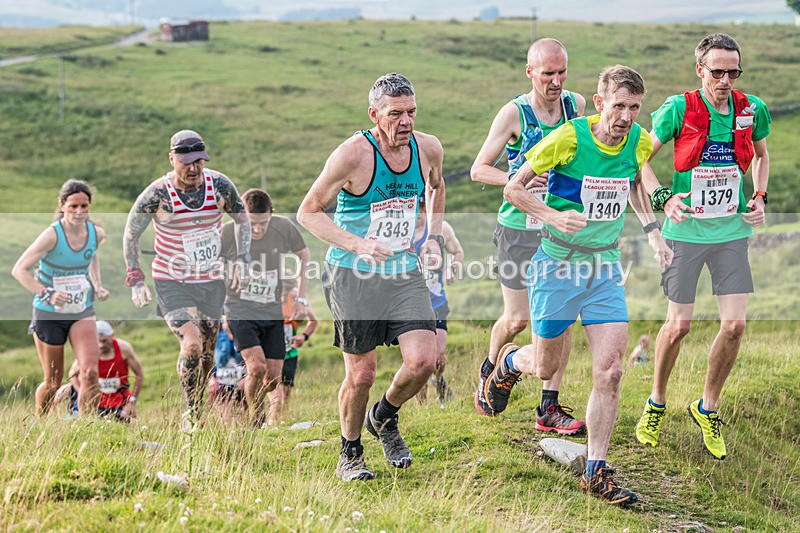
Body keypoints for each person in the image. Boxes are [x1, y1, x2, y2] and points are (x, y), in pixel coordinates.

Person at [495, 65, 672, 506]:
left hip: (604, 269)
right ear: (599, 103)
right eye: (618, 106)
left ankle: (596, 471)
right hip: (557, 265)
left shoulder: (641, 139)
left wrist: (653, 232)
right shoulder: (569, 138)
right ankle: (509, 363)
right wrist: (554, 216)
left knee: (611, 370)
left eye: (634, 107)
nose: (627, 116)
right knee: (544, 364)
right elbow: (513, 190)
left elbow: (633, 182)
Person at [297, 72, 445, 482]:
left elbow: (436, 186)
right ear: (374, 115)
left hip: (403, 271)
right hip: (353, 275)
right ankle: (350, 452)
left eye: (412, 112)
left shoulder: (428, 148)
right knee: (361, 373)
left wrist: (430, 235)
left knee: (423, 360)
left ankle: (384, 416)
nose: (407, 122)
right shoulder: (352, 155)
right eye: (396, 114)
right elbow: (308, 211)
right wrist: (357, 244)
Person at [634, 33, 771, 461]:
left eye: (733, 72)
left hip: (731, 233)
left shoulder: (753, 109)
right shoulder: (680, 108)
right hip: (686, 235)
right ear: (700, 70)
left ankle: (707, 407)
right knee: (679, 327)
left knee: (735, 326)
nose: (726, 80)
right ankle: (656, 401)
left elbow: (762, 156)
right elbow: (639, 159)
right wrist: (664, 199)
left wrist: (760, 196)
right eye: (717, 72)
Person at [470, 38, 588, 435]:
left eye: (561, 72)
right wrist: (519, 180)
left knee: (561, 319)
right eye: (547, 74)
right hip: (518, 228)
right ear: (530, 73)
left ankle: (548, 408)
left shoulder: (576, 107)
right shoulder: (514, 114)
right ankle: (491, 368)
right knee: (518, 319)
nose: (556, 81)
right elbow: (478, 169)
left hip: (557, 228)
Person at [122, 130, 251, 431]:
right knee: (191, 346)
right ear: (172, 159)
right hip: (171, 280)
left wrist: (242, 262)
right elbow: (131, 234)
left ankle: (199, 407)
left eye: (199, 162)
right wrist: (136, 278)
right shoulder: (158, 194)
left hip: (210, 280)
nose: (194, 169)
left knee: (207, 356)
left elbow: (242, 219)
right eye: (187, 162)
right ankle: (191, 412)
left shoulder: (219, 185)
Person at [12, 179, 109, 417]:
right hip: (49, 313)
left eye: (84, 206)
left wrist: (97, 284)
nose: (79, 212)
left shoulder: (96, 233)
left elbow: (92, 255)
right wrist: (48, 293)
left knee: (90, 373)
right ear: (62, 205)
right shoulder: (51, 235)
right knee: (53, 382)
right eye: (73, 206)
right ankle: (40, 422)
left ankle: (88, 428)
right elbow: (19, 270)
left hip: (81, 310)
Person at [220, 188, 311, 427]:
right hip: (239, 308)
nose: (257, 230)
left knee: (272, 379)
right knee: (257, 367)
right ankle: (256, 420)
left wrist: (301, 299)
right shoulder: (229, 231)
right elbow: (211, 266)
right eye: (252, 224)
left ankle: (257, 410)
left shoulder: (283, 228)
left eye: (263, 223)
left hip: (271, 309)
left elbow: (304, 255)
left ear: (271, 215)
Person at [412, 199, 463, 407]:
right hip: (410, 307)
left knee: (438, 358)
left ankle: (438, 378)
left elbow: (457, 251)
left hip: (437, 303)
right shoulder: (400, 233)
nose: (416, 214)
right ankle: (423, 408)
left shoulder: (441, 228)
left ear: (425, 207)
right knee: (418, 362)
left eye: (420, 208)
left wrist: (451, 267)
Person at [54, 320, 144, 421]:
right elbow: (72, 374)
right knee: (65, 389)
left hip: (118, 398)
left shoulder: (124, 349)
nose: (101, 345)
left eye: (105, 341)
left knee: (126, 425)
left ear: (111, 336)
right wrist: (82, 392)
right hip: (93, 399)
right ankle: (55, 415)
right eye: (98, 341)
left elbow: (139, 374)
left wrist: (132, 401)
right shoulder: (87, 351)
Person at [268, 279, 319, 425]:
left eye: (285, 294)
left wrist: (304, 336)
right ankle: (272, 422)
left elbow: (313, 320)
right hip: (272, 354)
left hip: (290, 353)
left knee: (285, 395)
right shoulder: (267, 301)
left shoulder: (296, 300)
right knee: (276, 396)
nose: (282, 298)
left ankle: (281, 422)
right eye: (280, 294)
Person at [207, 317, 247, 422]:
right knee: (225, 418)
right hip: (221, 381)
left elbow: (256, 361)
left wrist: (247, 378)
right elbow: (208, 360)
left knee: (244, 414)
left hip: (243, 380)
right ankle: (226, 429)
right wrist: (212, 378)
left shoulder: (247, 335)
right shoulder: (215, 338)